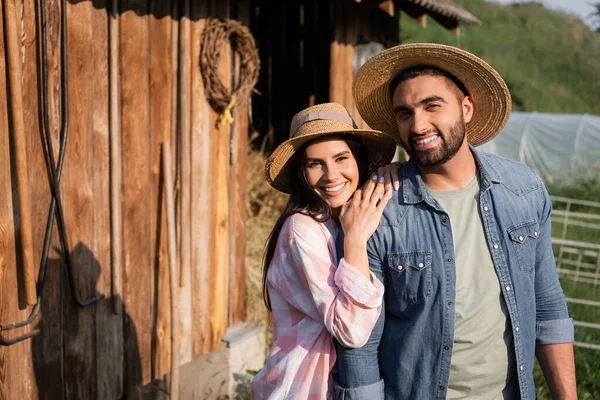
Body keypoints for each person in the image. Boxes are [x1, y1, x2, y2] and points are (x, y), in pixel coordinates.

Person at [334, 43, 576, 399]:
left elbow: (548, 304)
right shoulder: (378, 212)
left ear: (466, 108)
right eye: (404, 113)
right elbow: (360, 347)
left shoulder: (522, 189)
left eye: (432, 106)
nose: (418, 125)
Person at [250, 102, 403, 399]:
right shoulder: (302, 228)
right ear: (301, 173)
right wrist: (356, 239)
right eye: (314, 163)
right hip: (301, 389)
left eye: (341, 158)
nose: (331, 175)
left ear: (358, 159)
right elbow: (352, 330)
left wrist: (394, 172)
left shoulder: (340, 218)